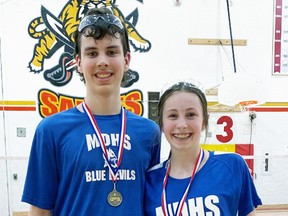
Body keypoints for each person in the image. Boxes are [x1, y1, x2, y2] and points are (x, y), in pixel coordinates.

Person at [22, 7, 161, 216]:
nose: (102, 61)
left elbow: (152, 204)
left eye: (112, 51)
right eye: (92, 53)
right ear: (78, 62)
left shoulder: (149, 133)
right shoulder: (51, 131)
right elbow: (39, 211)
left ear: (127, 60)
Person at [144, 80, 262, 216]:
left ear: (204, 121)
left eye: (190, 115)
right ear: (162, 124)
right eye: (173, 116)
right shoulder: (149, 180)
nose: (182, 124)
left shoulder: (232, 165)